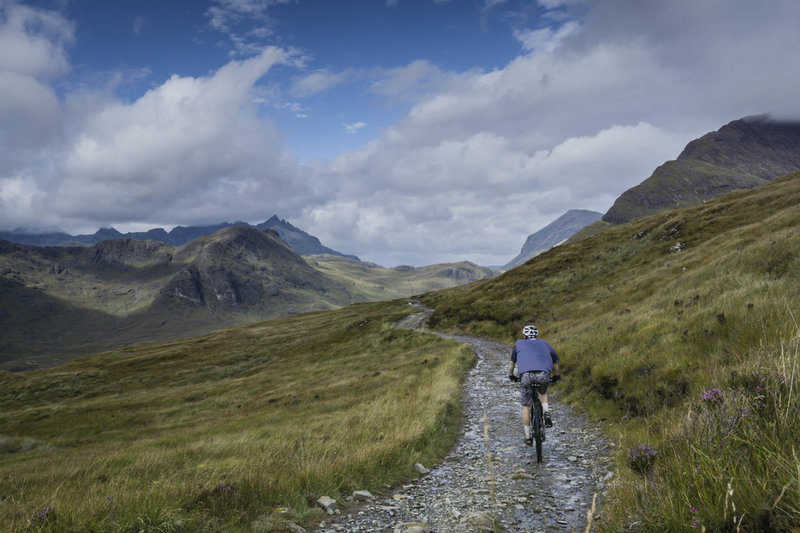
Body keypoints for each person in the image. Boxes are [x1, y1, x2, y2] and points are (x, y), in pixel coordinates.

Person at [507, 325, 560, 446]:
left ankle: (528, 437)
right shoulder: (544, 343)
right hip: (543, 374)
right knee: (542, 392)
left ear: (524, 336)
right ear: (537, 336)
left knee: (526, 406)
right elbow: (555, 362)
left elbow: (512, 363)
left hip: (526, 376)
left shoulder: (519, 343)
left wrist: (511, 375)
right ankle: (546, 411)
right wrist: (556, 376)